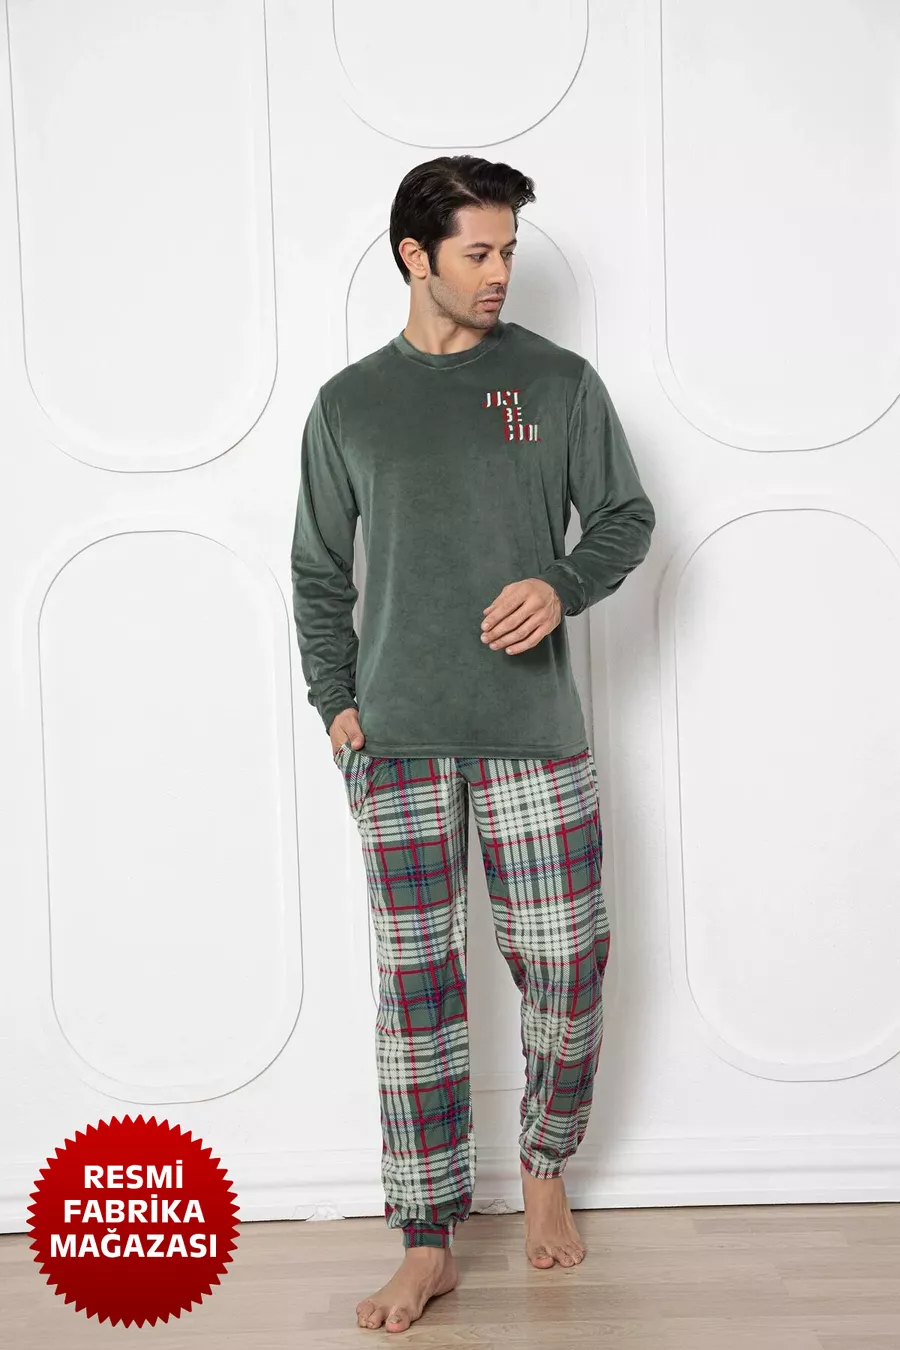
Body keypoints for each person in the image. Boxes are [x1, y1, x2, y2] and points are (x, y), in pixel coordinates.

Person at [290, 155, 656, 1334]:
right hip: (395, 737)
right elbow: (316, 571)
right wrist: (337, 705)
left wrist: (561, 584)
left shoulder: (557, 383)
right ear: (416, 257)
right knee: (417, 994)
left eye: (509, 251)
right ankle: (426, 1237)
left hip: (531, 731)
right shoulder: (350, 406)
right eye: (478, 253)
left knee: (566, 961)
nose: (501, 273)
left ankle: (544, 1164)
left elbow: (625, 517)